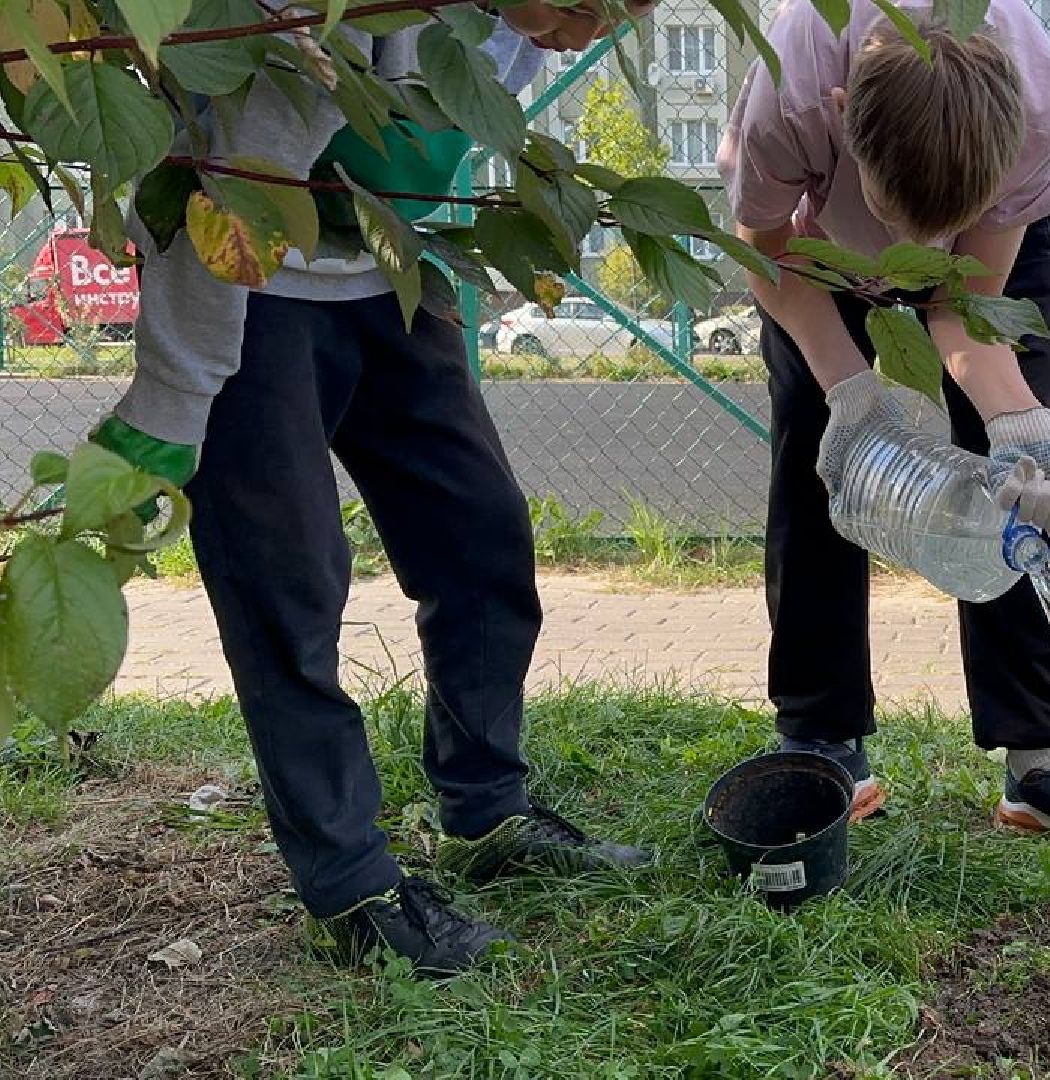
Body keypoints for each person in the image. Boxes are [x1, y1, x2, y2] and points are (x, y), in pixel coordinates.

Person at [88, 0, 659, 977]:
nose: (588, 30)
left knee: (479, 535)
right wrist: (173, 395)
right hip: (250, 289)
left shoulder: (517, 27)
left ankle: (485, 813)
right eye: (584, 4)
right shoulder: (367, 10)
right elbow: (226, 170)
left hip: (381, 278)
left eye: (622, 14)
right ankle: (350, 887)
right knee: (291, 585)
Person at [718, 0, 1050, 841]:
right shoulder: (792, 91)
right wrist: (851, 394)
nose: (919, 249)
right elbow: (762, 241)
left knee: (1022, 479)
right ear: (839, 117)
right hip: (811, 250)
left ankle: (1040, 754)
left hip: (999, 241)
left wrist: (1023, 422)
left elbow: (964, 308)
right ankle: (822, 734)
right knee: (818, 457)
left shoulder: (1040, 103)